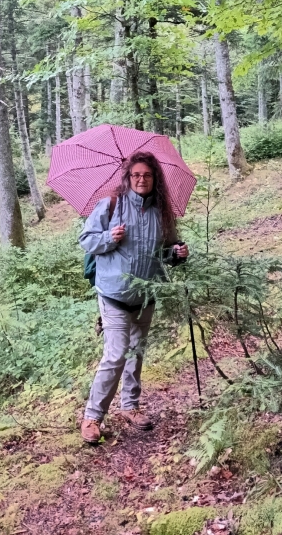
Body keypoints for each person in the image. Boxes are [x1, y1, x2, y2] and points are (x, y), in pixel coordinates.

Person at [79, 151, 189, 444]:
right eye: (136, 175)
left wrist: (177, 254)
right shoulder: (111, 204)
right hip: (113, 294)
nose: (142, 180)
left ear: (155, 178)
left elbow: (164, 252)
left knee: (136, 351)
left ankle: (130, 406)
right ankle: (92, 417)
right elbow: (86, 239)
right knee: (115, 355)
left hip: (146, 295)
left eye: (147, 175)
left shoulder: (161, 211)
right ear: (128, 177)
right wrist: (109, 238)